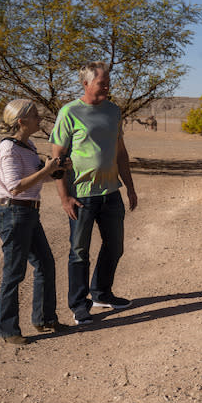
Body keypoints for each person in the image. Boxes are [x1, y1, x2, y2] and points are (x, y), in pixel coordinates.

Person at [50, 62, 138, 325]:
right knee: (79, 251)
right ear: (86, 84)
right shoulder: (69, 112)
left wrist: (130, 187)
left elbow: (121, 152)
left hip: (111, 191)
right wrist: (64, 197)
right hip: (82, 195)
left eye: (108, 81)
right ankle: (79, 305)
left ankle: (101, 293)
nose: (108, 86)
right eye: (102, 82)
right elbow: (57, 157)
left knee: (115, 246)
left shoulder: (113, 111)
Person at [0, 99, 67, 344]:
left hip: (29, 213)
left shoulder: (28, 145)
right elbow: (15, 187)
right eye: (35, 115)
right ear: (22, 121)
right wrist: (46, 171)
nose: (39, 118)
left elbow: (34, 179)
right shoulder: (9, 149)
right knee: (14, 273)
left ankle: (44, 319)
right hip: (14, 214)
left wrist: (55, 170)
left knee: (45, 264)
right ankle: (8, 330)